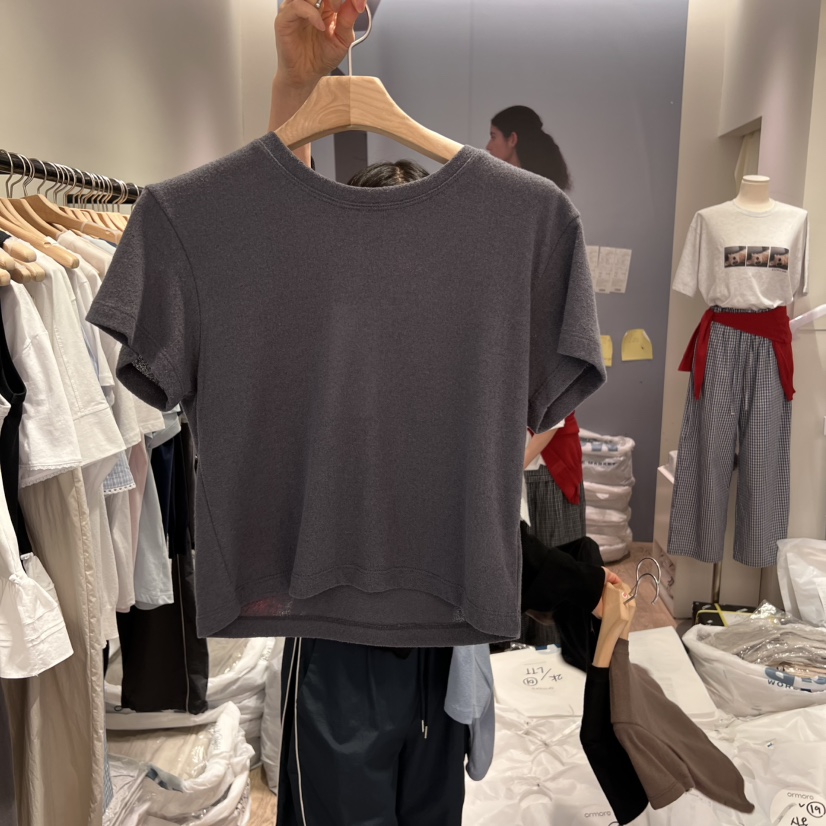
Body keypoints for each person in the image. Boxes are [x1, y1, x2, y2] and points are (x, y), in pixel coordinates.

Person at [270, 4, 620, 824]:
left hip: (440, 654)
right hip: (340, 649)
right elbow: (283, 231)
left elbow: (492, 498)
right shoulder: (320, 363)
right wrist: (293, 85)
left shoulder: (455, 368)